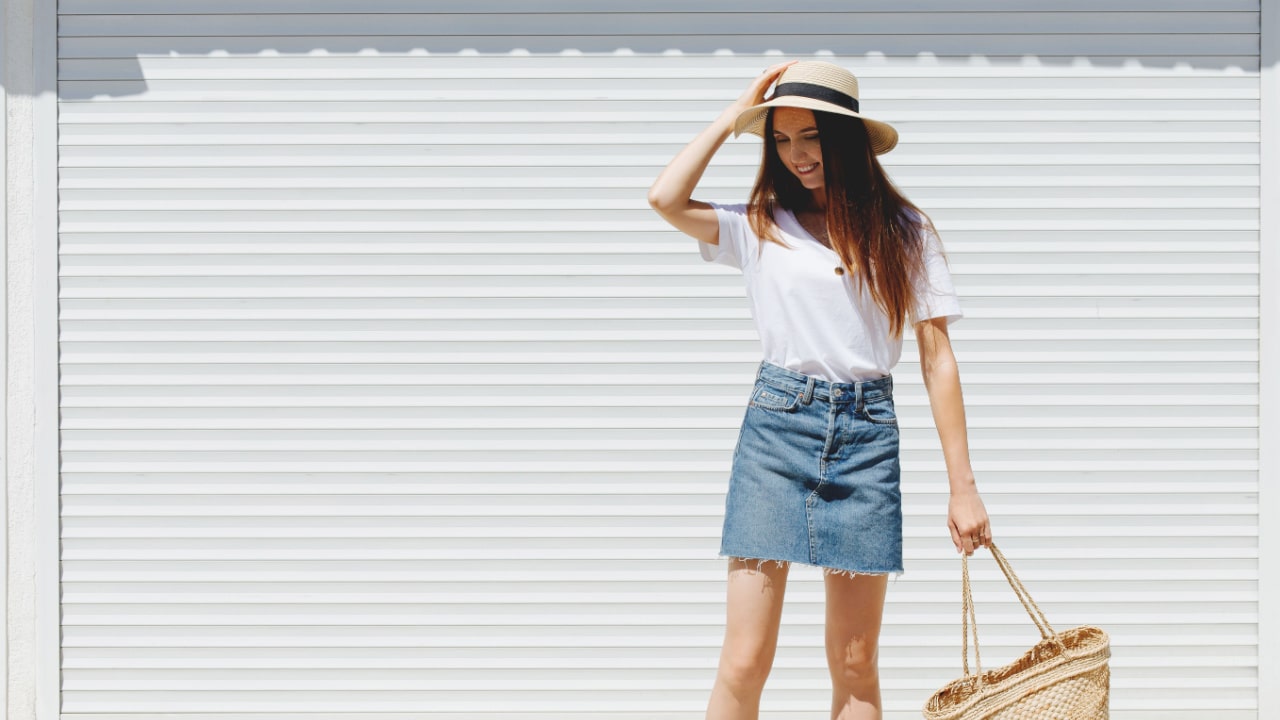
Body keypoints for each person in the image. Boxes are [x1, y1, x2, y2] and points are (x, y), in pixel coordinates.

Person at [646, 60, 994, 720]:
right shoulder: (758, 224)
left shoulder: (905, 231)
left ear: (845, 138)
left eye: (809, 136)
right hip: (776, 432)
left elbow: (936, 357)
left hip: (867, 439)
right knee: (745, 659)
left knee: (856, 662)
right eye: (779, 140)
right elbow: (664, 198)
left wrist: (962, 485)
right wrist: (732, 118)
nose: (796, 155)